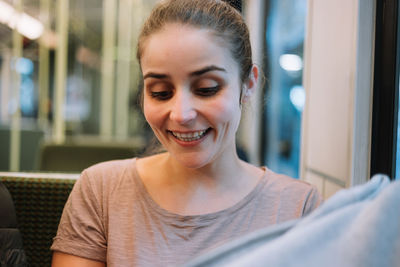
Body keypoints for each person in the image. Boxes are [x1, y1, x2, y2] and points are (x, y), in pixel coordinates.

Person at [51, 0, 322, 266]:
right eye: (160, 93)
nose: (181, 114)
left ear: (248, 84)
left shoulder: (297, 208)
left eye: (206, 89)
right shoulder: (101, 191)